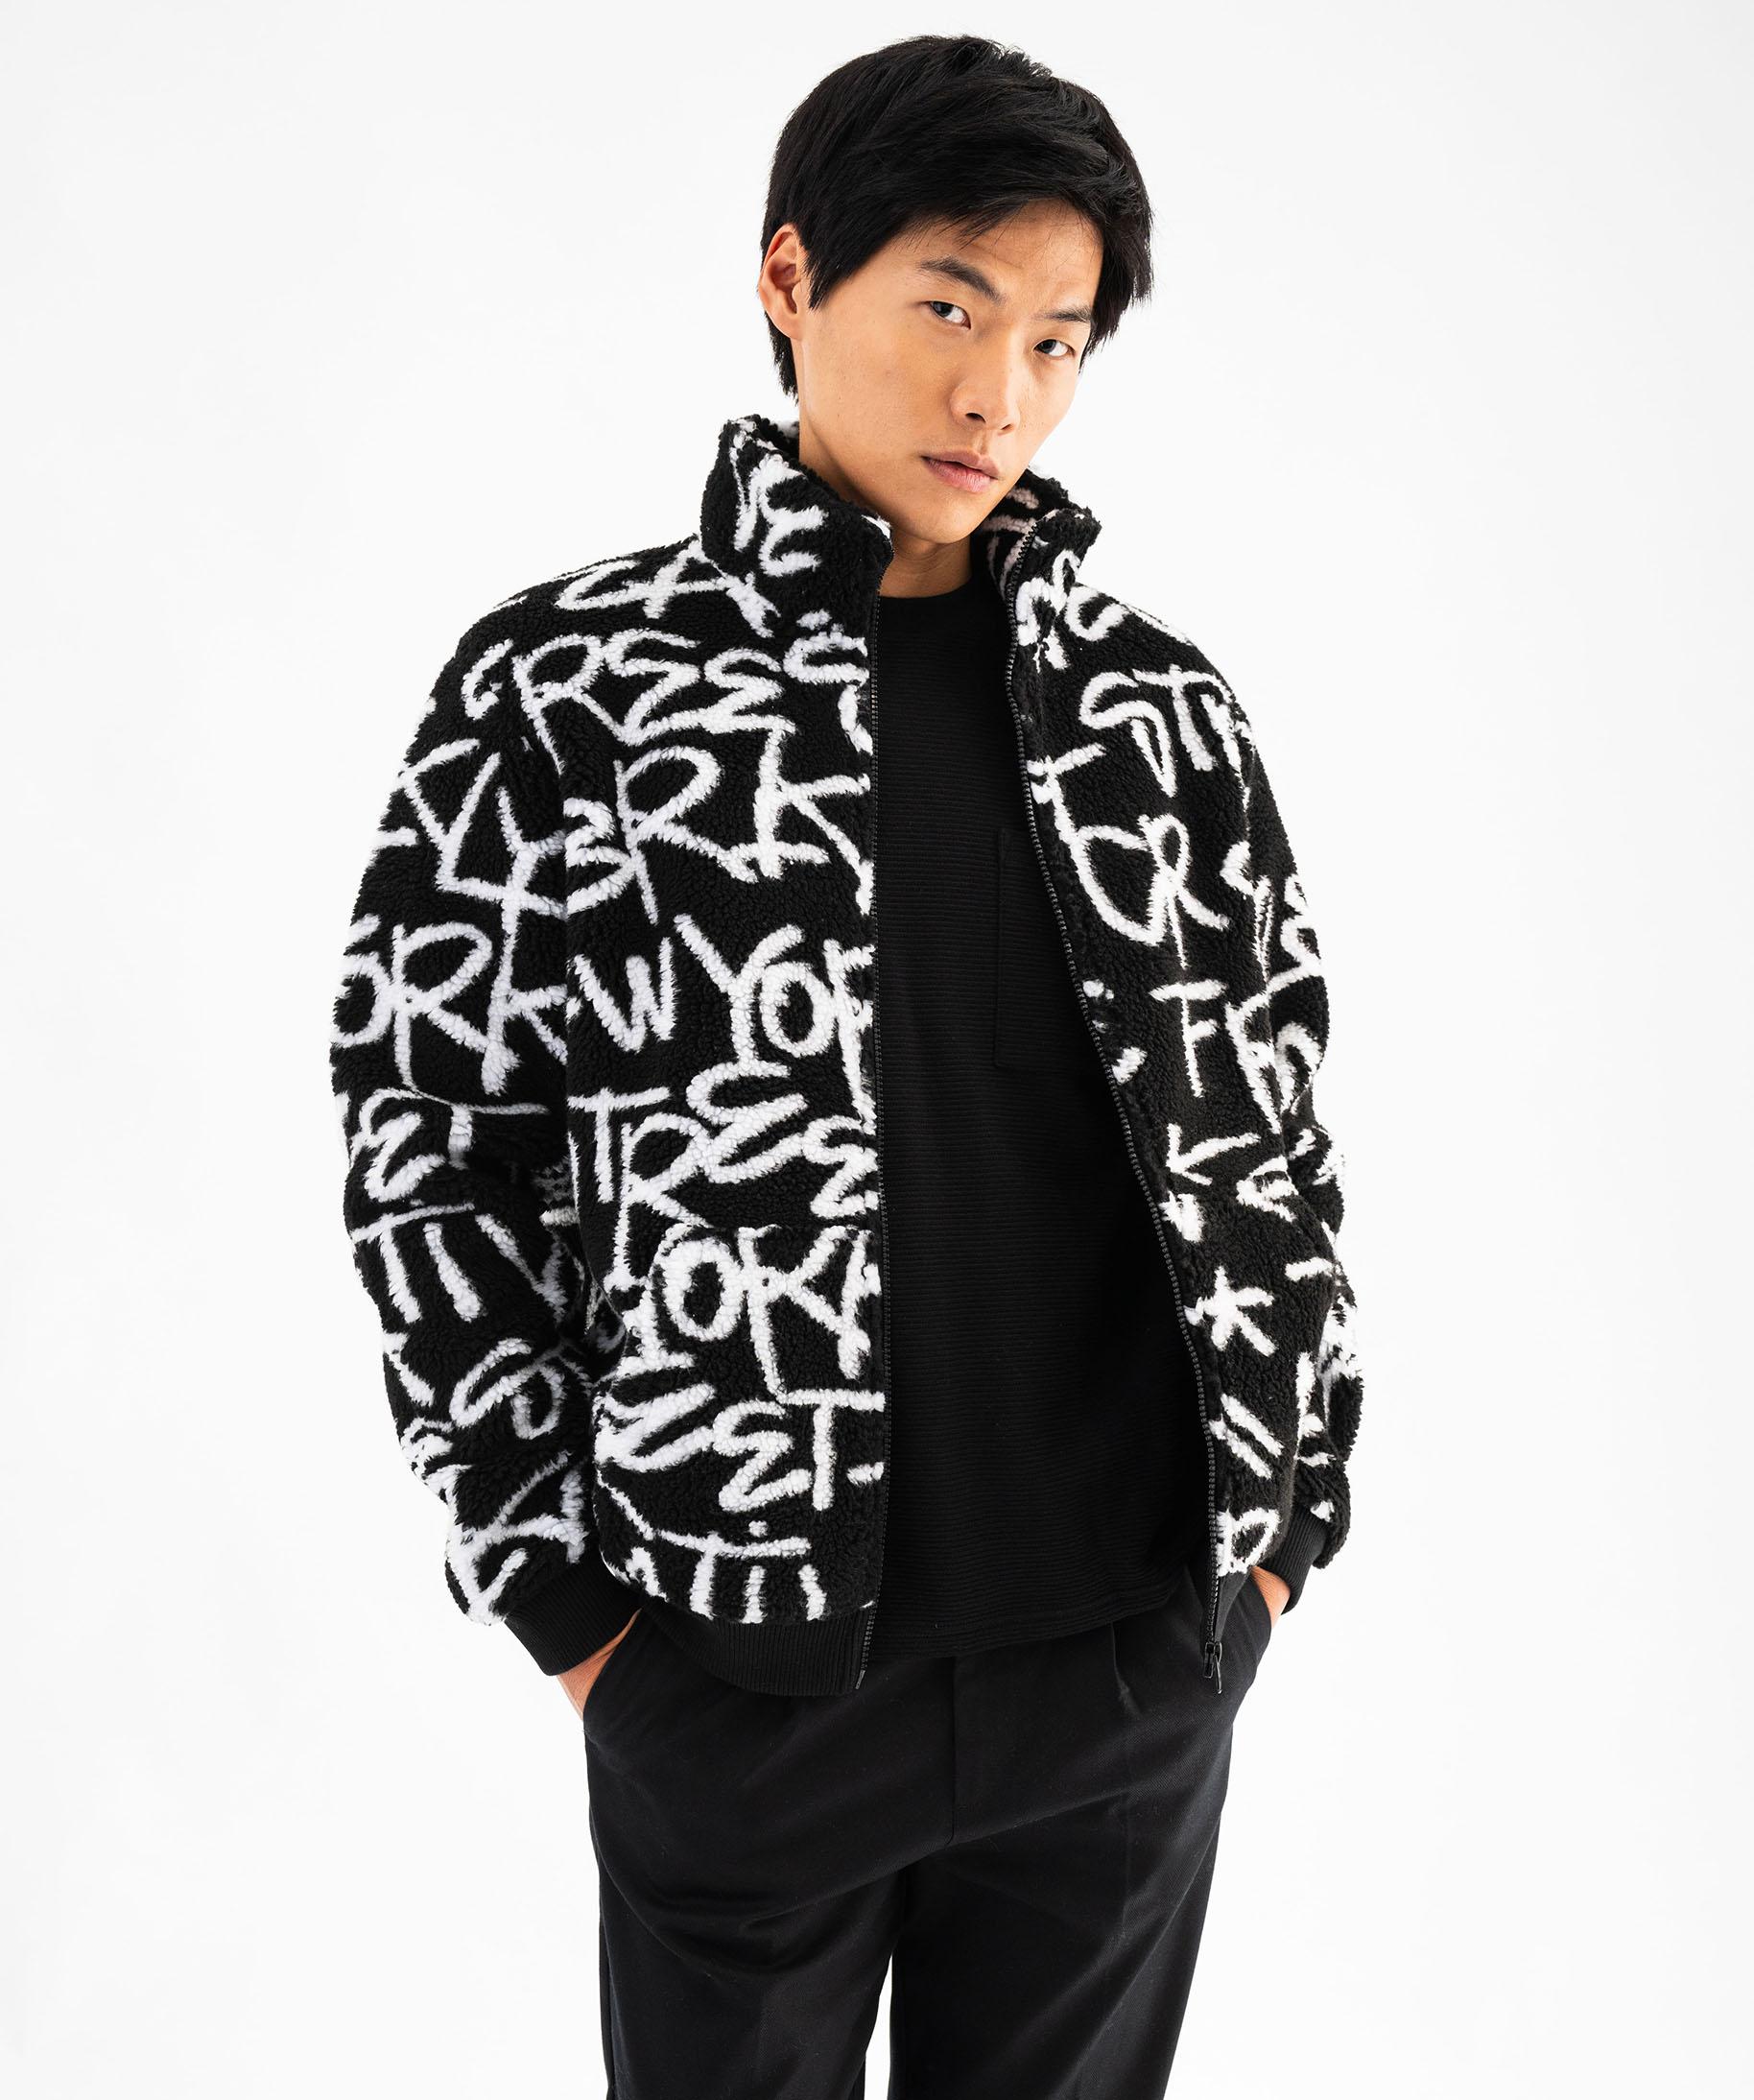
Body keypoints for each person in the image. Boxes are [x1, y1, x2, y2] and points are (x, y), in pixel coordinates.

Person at [328, 32, 1364, 2097]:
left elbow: (1276, 1131)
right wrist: (574, 1614)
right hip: (739, 1679)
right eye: (952, 310)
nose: (1001, 396)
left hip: (1127, 1671)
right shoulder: (570, 693)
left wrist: (1270, 1548)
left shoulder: (1163, 718)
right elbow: (428, 1151)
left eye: (1057, 341)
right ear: (791, 278)